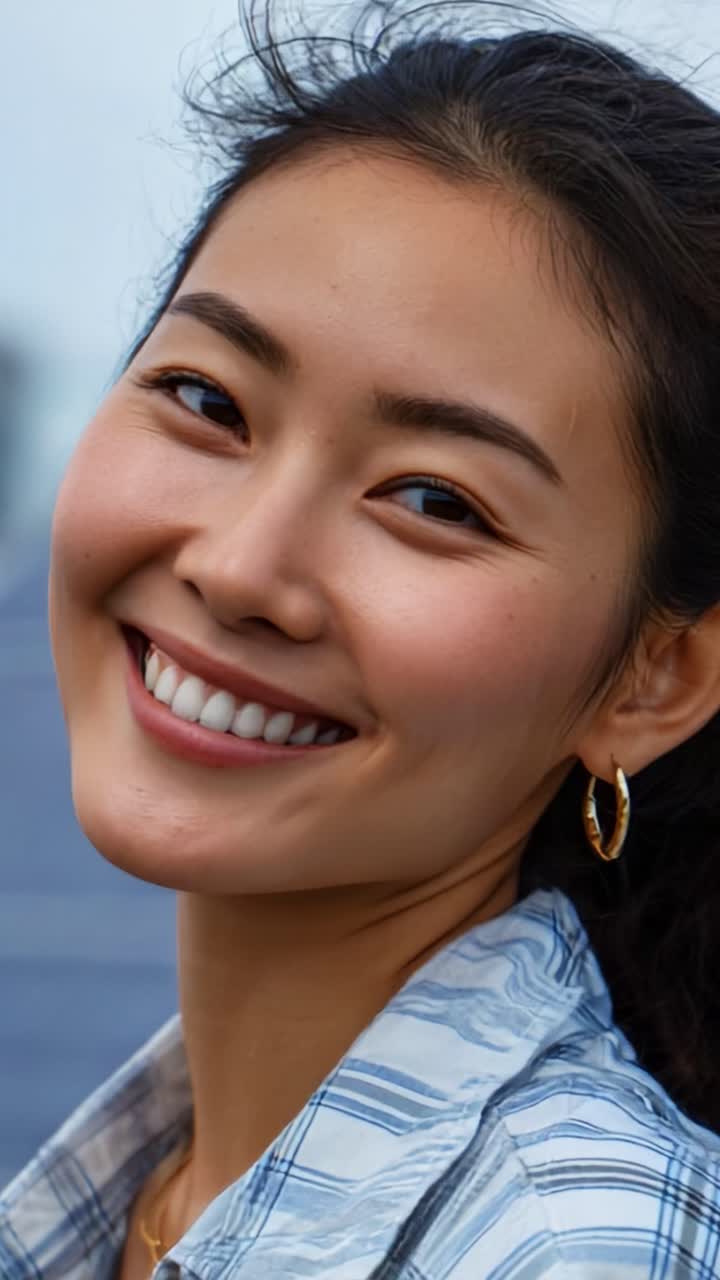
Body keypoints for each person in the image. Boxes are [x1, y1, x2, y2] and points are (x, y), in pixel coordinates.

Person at [2, 0, 720, 1274]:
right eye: (207, 398)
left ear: (657, 679)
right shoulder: (143, 1188)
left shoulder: (574, 1249)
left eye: (437, 500)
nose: (238, 567)